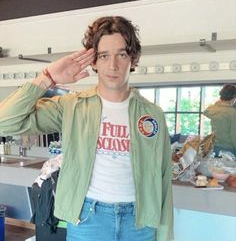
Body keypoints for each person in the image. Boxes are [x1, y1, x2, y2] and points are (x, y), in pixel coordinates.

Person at [0, 16, 173, 241]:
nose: (113, 65)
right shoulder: (73, 106)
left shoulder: (152, 115)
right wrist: (48, 78)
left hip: (139, 222)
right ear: (94, 62)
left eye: (121, 54)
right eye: (104, 56)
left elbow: (163, 178)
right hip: (89, 219)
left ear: (133, 58)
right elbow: (5, 121)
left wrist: (165, 235)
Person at [204, 84, 236, 157]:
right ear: (233, 97)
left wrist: (217, 104)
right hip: (229, 150)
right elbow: (234, 135)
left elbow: (206, 111)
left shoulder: (214, 109)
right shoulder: (233, 113)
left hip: (215, 148)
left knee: (215, 168)